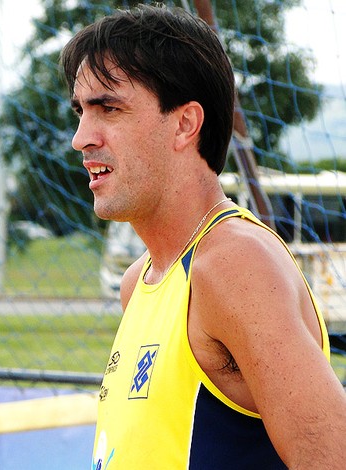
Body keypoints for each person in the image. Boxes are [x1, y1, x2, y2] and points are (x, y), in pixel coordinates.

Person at [60, 4, 346, 469]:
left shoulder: (233, 263)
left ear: (185, 124)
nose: (81, 137)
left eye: (108, 108)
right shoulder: (141, 281)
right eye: (81, 111)